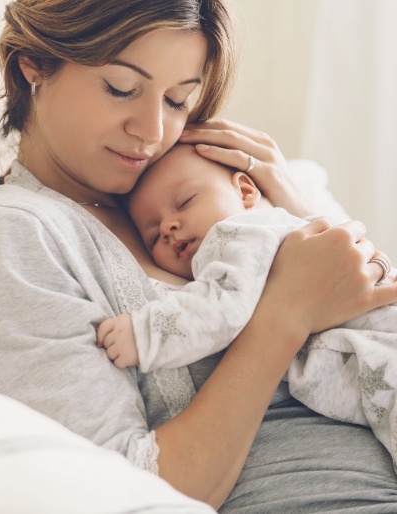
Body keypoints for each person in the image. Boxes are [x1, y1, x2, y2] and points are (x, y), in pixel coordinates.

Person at [0, 0, 397, 511]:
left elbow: (370, 312)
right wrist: (286, 310)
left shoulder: (186, 179)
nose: (152, 132)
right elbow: (124, 487)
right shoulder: (13, 236)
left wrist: (296, 206)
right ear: (33, 65)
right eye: (121, 88)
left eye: (178, 101)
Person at [97, 142, 397, 470]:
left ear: (245, 191)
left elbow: (221, 308)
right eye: (153, 235)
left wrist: (144, 334)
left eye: (185, 202)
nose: (168, 226)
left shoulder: (238, 235)